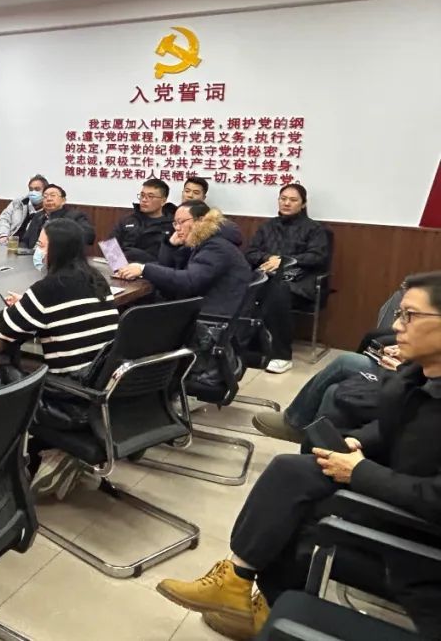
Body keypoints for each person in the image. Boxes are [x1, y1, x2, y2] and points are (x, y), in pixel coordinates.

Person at [156, 271, 441, 640]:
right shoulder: (419, 376)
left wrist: (359, 472)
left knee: (297, 514)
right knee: (291, 471)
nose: (397, 326)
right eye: (400, 314)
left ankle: (261, 604)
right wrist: (359, 443)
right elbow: (392, 426)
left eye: (410, 316)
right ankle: (239, 582)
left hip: (418, 531)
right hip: (398, 482)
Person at [0, 218, 120, 499]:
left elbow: (5, 330)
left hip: (71, 398)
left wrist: (22, 305)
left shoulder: (48, 289)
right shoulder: (96, 279)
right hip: (104, 386)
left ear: (58, 250)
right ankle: (56, 453)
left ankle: (14, 465)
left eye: (42, 246)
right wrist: (30, 304)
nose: (37, 251)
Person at [253, 284, 406, 441]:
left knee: (345, 364)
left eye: (407, 316)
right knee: (334, 388)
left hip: (408, 378)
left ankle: (295, 424)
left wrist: (406, 367)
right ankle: (305, 432)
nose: (397, 325)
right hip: (406, 367)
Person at [245, 183, 330, 374]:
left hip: (300, 283)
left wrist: (284, 261)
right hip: (266, 278)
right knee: (248, 288)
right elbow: (250, 252)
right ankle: (251, 348)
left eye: (293, 200)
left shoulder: (315, 229)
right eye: (283, 199)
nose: (286, 203)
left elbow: (317, 257)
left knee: (278, 291)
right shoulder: (267, 226)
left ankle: (281, 355)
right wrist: (269, 258)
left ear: (303, 204)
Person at [117, 202, 251, 318]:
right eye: (175, 223)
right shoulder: (203, 241)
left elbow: (189, 282)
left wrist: (144, 269)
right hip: (204, 310)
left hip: (214, 319)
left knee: (135, 317)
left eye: (181, 222)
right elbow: (169, 268)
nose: (177, 228)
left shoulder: (216, 246)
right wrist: (170, 245)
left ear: (201, 221)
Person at [109, 178, 177, 263]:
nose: (144, 200)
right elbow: (109, 247)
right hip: (122, 267)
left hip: (152, 269)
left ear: (163, 201)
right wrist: (120, 266)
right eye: (142, 195)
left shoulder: (172, 225)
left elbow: (170, 259)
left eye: (150, 196)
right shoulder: (127, 220)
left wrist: (143, 267)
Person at [19, 184, 95, 249]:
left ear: (63, 200)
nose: (48, 199)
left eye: (53, 195)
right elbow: (25, 241)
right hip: (32, 256)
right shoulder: (38, 216)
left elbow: (89, 237)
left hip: (60, 258)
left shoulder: (75, 216)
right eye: (45, 196)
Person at [0, 174, 48, 244]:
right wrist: (3, 235)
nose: (33, 192)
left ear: (45, 191)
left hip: (25, 246)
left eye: (37, 189)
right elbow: (4, 219)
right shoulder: (18, 203)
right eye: (31, 189)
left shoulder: (48, 211)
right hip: (2, 239)